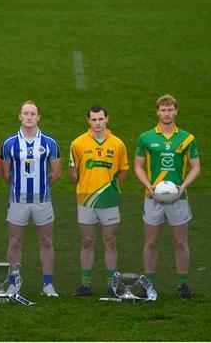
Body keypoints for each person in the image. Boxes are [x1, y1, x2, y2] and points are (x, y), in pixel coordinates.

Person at [134, 94, 200, 299]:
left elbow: (196, 168)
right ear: (157, 112)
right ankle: (149, 286)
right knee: (151, 242)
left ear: (176, 111)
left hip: (178, 199)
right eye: (163, 110)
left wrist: (182, 188)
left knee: (180, 242)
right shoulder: (146, 137)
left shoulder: (187, 138)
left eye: (170, 109)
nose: (166, 113)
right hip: (152, 198)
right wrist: (149, 186)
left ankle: (182, 285)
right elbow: (138, 166)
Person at [1, 101, 62, 297]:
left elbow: (56, 172)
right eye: (25, 113)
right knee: (15, 241)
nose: (29, 117)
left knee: (46, 240)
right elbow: (6, 174)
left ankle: (48, 285)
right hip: (18, 200)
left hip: (42, 201)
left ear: (38, 117)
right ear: (20, 116)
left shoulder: (49, 142)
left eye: (32, 113)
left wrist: (41, 188)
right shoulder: (9, 143)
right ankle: (13, 283)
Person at [69, 106, 128, 297]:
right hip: (86, 200)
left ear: (107, 119)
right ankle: (85, 285)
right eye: (93, 120)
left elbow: (123, 171)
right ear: (88, 121)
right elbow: (72, 171)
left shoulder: (118, 144)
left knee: (110, 241)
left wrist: (110, 188)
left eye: (100, 119)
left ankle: (112, 286)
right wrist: (85, 184)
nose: (97, 123)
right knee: (87, 241)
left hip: (109, 200)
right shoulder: (78, 143)